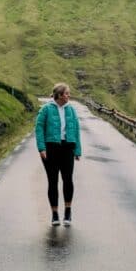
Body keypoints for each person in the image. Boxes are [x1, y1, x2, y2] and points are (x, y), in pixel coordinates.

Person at [35, 83, 82, 227]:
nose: (69, 96)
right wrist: (41, 148)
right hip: (51, 148)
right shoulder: (46, 109)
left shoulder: (72, 110)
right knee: (53, 181)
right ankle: (54, 214)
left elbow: (76, 130)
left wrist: (77, 150)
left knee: (68, 180)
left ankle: (68, 211)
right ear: (60, 95)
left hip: (68, 147)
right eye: (67, 93)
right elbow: (39, 128)